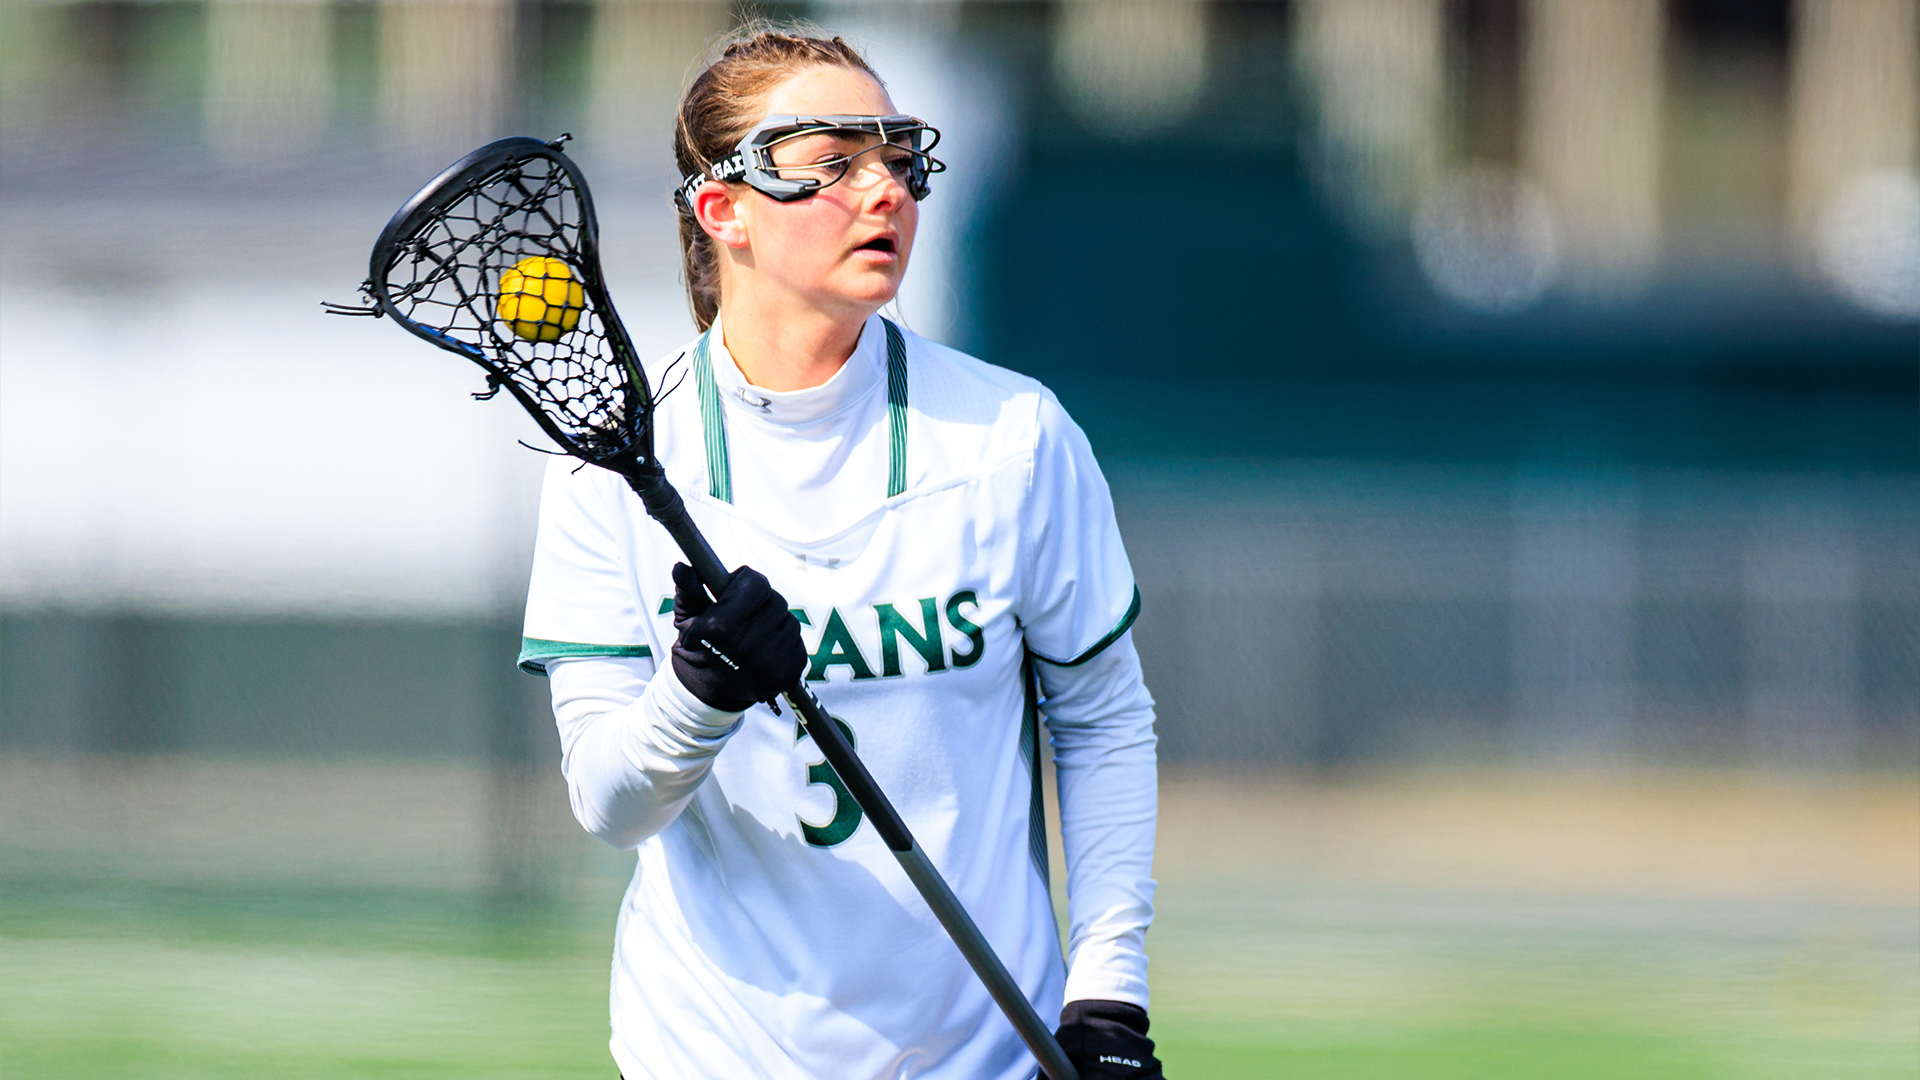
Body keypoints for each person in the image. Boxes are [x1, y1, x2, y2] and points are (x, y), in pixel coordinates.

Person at [519, 26, 1162, 1080]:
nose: (885, 194)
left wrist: (1108, 995)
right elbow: (608, 801)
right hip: (711, 1055)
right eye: (833, 166)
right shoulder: (612, 466)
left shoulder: (1012, 437)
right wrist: (698, 695)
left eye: (899, 160)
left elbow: (1102, 720)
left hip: (989, 1056)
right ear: (721, 210)